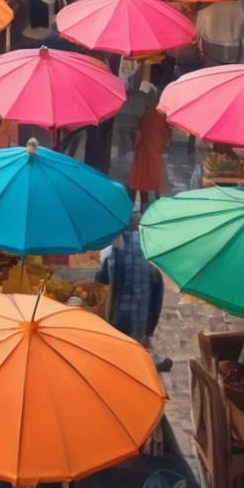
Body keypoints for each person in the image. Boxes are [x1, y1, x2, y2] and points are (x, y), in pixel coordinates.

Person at [95, 221, 165, 349]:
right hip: (140, 326)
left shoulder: (111, 258)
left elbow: (100, 285)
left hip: (117, 325)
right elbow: (157, 294)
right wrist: (150, 327)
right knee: (136, 353)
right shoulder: (149, 255)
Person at [128, 86, 171, 211]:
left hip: (142, 152)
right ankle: (150, 206)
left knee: (142, 180)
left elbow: (138, 133)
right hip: (154, 152)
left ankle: (144, 204)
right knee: (153, 180)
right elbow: (166, 136)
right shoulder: (161, 116)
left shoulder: (144, 115)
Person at [196, 0, 244, 65]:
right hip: (235, 48)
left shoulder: (207, 3)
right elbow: (243, 22)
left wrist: (197, 40)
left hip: (211, 48)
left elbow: (198, 28)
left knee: (213, 73)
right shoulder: (241, 1)